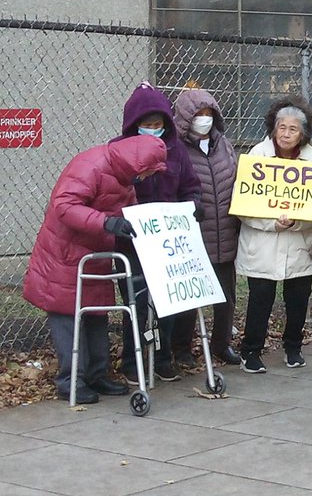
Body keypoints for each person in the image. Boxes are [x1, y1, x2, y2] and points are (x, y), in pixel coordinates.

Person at [23, 136, 167, 403]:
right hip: (65, 252)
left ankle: (96, 374)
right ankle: (71, 381)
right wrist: (106, 222)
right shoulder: (91, 165)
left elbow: (128, 210)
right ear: (138, 165)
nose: (147, 178)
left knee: (96, 313)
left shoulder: (124, 176)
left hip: (94, 251)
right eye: (148, 171)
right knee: (68, 317)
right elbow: (64, 205)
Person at [113, 83, 202, 383]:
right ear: (134, 124)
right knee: (136, 303)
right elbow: (111, 192)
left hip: (168, 239)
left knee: (168, 301)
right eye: (146, 124)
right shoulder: (117, 150)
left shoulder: (176, 151)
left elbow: (190, 187)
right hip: (132, 241)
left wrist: (193, 206)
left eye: (158, 124)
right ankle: (132, 361)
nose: (153, 129)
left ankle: (163, 358)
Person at [236, 96, 312, 373]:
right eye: (281, 127)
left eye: (293, 129)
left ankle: (293, 347)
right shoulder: (257, 155)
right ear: (273, 129)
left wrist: (296, 222)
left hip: (299, 243)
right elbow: (243, 205)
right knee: (260, 298)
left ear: (303, 133)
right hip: (263, 243)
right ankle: (251, 350)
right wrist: (272, 223)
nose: (286, 134)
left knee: (298, 298)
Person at [170, 88, 242, 367]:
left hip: (225, 232)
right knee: (189, 298)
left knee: (226, 296)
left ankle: (222, 344)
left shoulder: (224, 145)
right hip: (194, 235)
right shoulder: (175, 149)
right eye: (198, 114)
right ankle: (182, 348)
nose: (204, 119)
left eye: (208, 113)